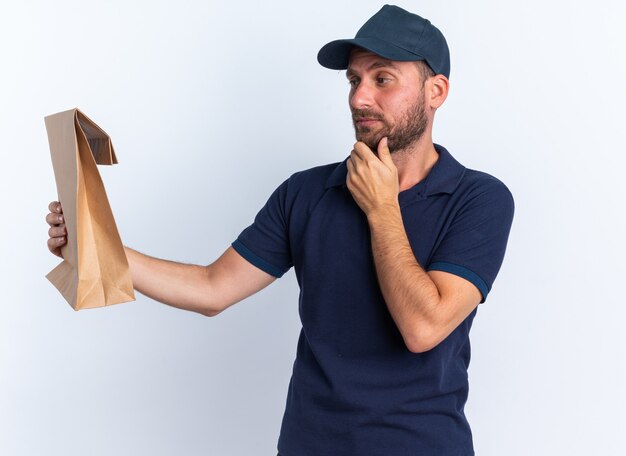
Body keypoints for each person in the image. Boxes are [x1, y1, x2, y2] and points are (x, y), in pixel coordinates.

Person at [46, 5, 514, 455]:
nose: (359, 97)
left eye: (382, 78)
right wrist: (97, 244)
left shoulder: (479, 199)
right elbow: (213, 288)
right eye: (353, 80)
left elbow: (423, 327)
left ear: (436, 91)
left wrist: (382, 208)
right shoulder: (307, 192)